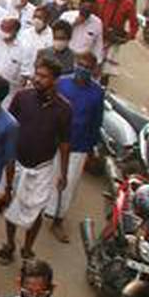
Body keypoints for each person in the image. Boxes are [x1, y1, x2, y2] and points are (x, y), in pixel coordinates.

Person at [0, 58, 70, 264]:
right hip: (18, 163)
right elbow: (8, 127)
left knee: (36, 210)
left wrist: (63, 173)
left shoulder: (64, 109)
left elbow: (65, 143)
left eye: (43, 76)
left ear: (55, 80)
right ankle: (9, 244)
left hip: (43, 167)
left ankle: (28, 248)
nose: (37, 79)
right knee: (12, 206)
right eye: (36, 74)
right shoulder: (22, 97)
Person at [48, 52, 102, 243]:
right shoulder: (61, 83)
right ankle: (39, 211)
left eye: (87, 67)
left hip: (78, 145)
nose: (83, 69)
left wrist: (91, 148)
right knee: (46, 177)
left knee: (68, 184)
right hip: (53, 141)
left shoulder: (97, 92)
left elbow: (96, 122)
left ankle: (58, 219)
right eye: (80, 64)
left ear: (94, 70)